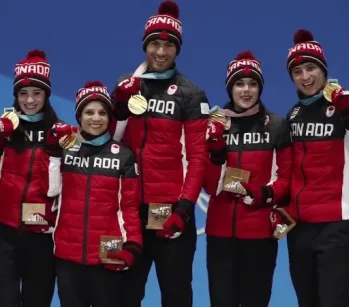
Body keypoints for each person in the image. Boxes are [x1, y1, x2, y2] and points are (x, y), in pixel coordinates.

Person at [110, 1, 210, 306]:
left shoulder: (191, 94)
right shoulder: (129, 87)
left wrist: (183, 209)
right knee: (124, 294)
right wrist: (118, 105)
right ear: (145, 46)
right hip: (130, 212)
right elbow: (110, 140)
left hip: (170, 213)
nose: (161, 52)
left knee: (176, 294)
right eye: (155, 43)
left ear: (177, 50)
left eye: (169, 45)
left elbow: (198, 158)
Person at [202, 51, 292, 307]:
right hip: (220, 234)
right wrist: (217, 149)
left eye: (253, 84)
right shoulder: (214, 123)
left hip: (260, 233)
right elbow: (209, 186)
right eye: (239, 84)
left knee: (256, 301)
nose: (246, 90)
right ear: (230, 88)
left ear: (260, 87)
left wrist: (264, 193)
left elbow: (287, 177)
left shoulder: (276, 125)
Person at [45, 81, 142, 307]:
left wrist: (133, 246)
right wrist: (53, 154)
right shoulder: (65, 149)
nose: (95, 118)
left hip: (107, 257)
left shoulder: (124, 156)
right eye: (89, 112)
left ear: (110, 117)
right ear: (79, 117)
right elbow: (51, 191)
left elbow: (128, 207)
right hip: (68, 256)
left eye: (102, 112)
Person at [0, 49, 60, 307]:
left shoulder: (58, 132)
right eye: (23, 93)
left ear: (46, 94)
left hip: (42, 235)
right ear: (15, 95)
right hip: (2, 231)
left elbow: (63, 189)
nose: (30, 100)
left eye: (37, 93)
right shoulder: (1, 128)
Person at [284, 29, 349, 307]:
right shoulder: (293, 115)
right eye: (298, 71)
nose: (305, 77)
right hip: (300, 227)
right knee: (308, 301)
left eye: (311, 68)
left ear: (323, 69)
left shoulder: (346, 105)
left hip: (337, 223)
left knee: (333, 301)